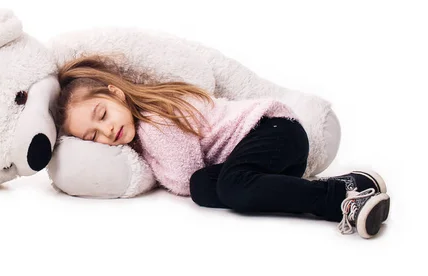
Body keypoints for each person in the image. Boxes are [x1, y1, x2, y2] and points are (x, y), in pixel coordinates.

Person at [53, 55, 391, 239]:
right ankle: (355, 183)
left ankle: (340, 201)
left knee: (226, 185)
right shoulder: (145, 128)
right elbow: (196, 181)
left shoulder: (156, 120)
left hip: (272, 130)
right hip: (265, 153)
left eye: (102, 114)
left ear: (116, 93)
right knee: (207, 188)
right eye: (92, 137)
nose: (106, 131)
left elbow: (181, 177)